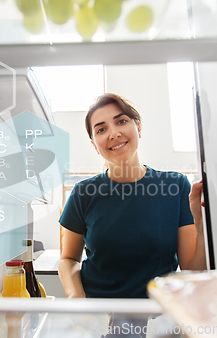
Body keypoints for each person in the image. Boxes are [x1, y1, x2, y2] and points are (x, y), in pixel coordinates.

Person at [58, 93, 206, 299]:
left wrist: (202, 224)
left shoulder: (176, 186)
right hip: (101, 317)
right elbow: (68, 259)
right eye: (101, 129)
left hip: (159, 316)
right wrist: (77, 298)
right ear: (94, 145)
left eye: (121, 121)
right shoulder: (83, 193)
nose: (114, 133)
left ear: (138, 127)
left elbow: (193, 272)